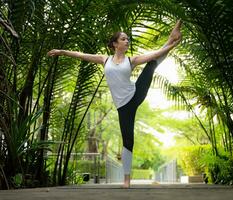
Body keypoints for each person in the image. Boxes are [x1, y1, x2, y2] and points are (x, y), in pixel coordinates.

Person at [47, 20, 182, 188]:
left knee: (151, 64)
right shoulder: (104, 60)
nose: (127, 41)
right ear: (114, 44)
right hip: (123, 106)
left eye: (127, 39)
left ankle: (171, 37)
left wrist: (172, 45)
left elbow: (155, 54)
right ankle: (127, 180)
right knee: (128, 139)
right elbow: (81, 55)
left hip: (136, 94)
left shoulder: (132, 60)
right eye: (124, 39)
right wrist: (61, 51)